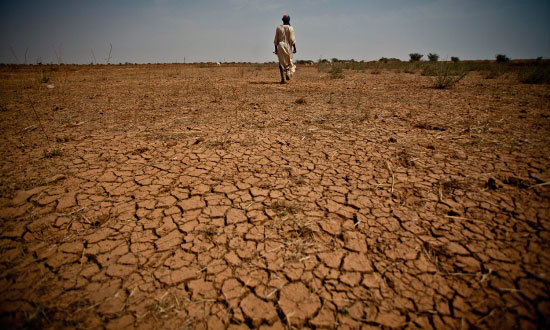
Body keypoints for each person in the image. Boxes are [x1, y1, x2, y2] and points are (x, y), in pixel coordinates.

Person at [274, 14, 296, 84]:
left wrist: (276, 49)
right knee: (289, 61)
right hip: (288, 46)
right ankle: (287, 71)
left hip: (280, 46)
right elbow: (292, 39)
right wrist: (295, 48)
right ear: (289, 20)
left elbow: (276, 40)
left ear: (282, 20)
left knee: (281, 63)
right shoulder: (291, 28)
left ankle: (282, 79)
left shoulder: (279, 28)